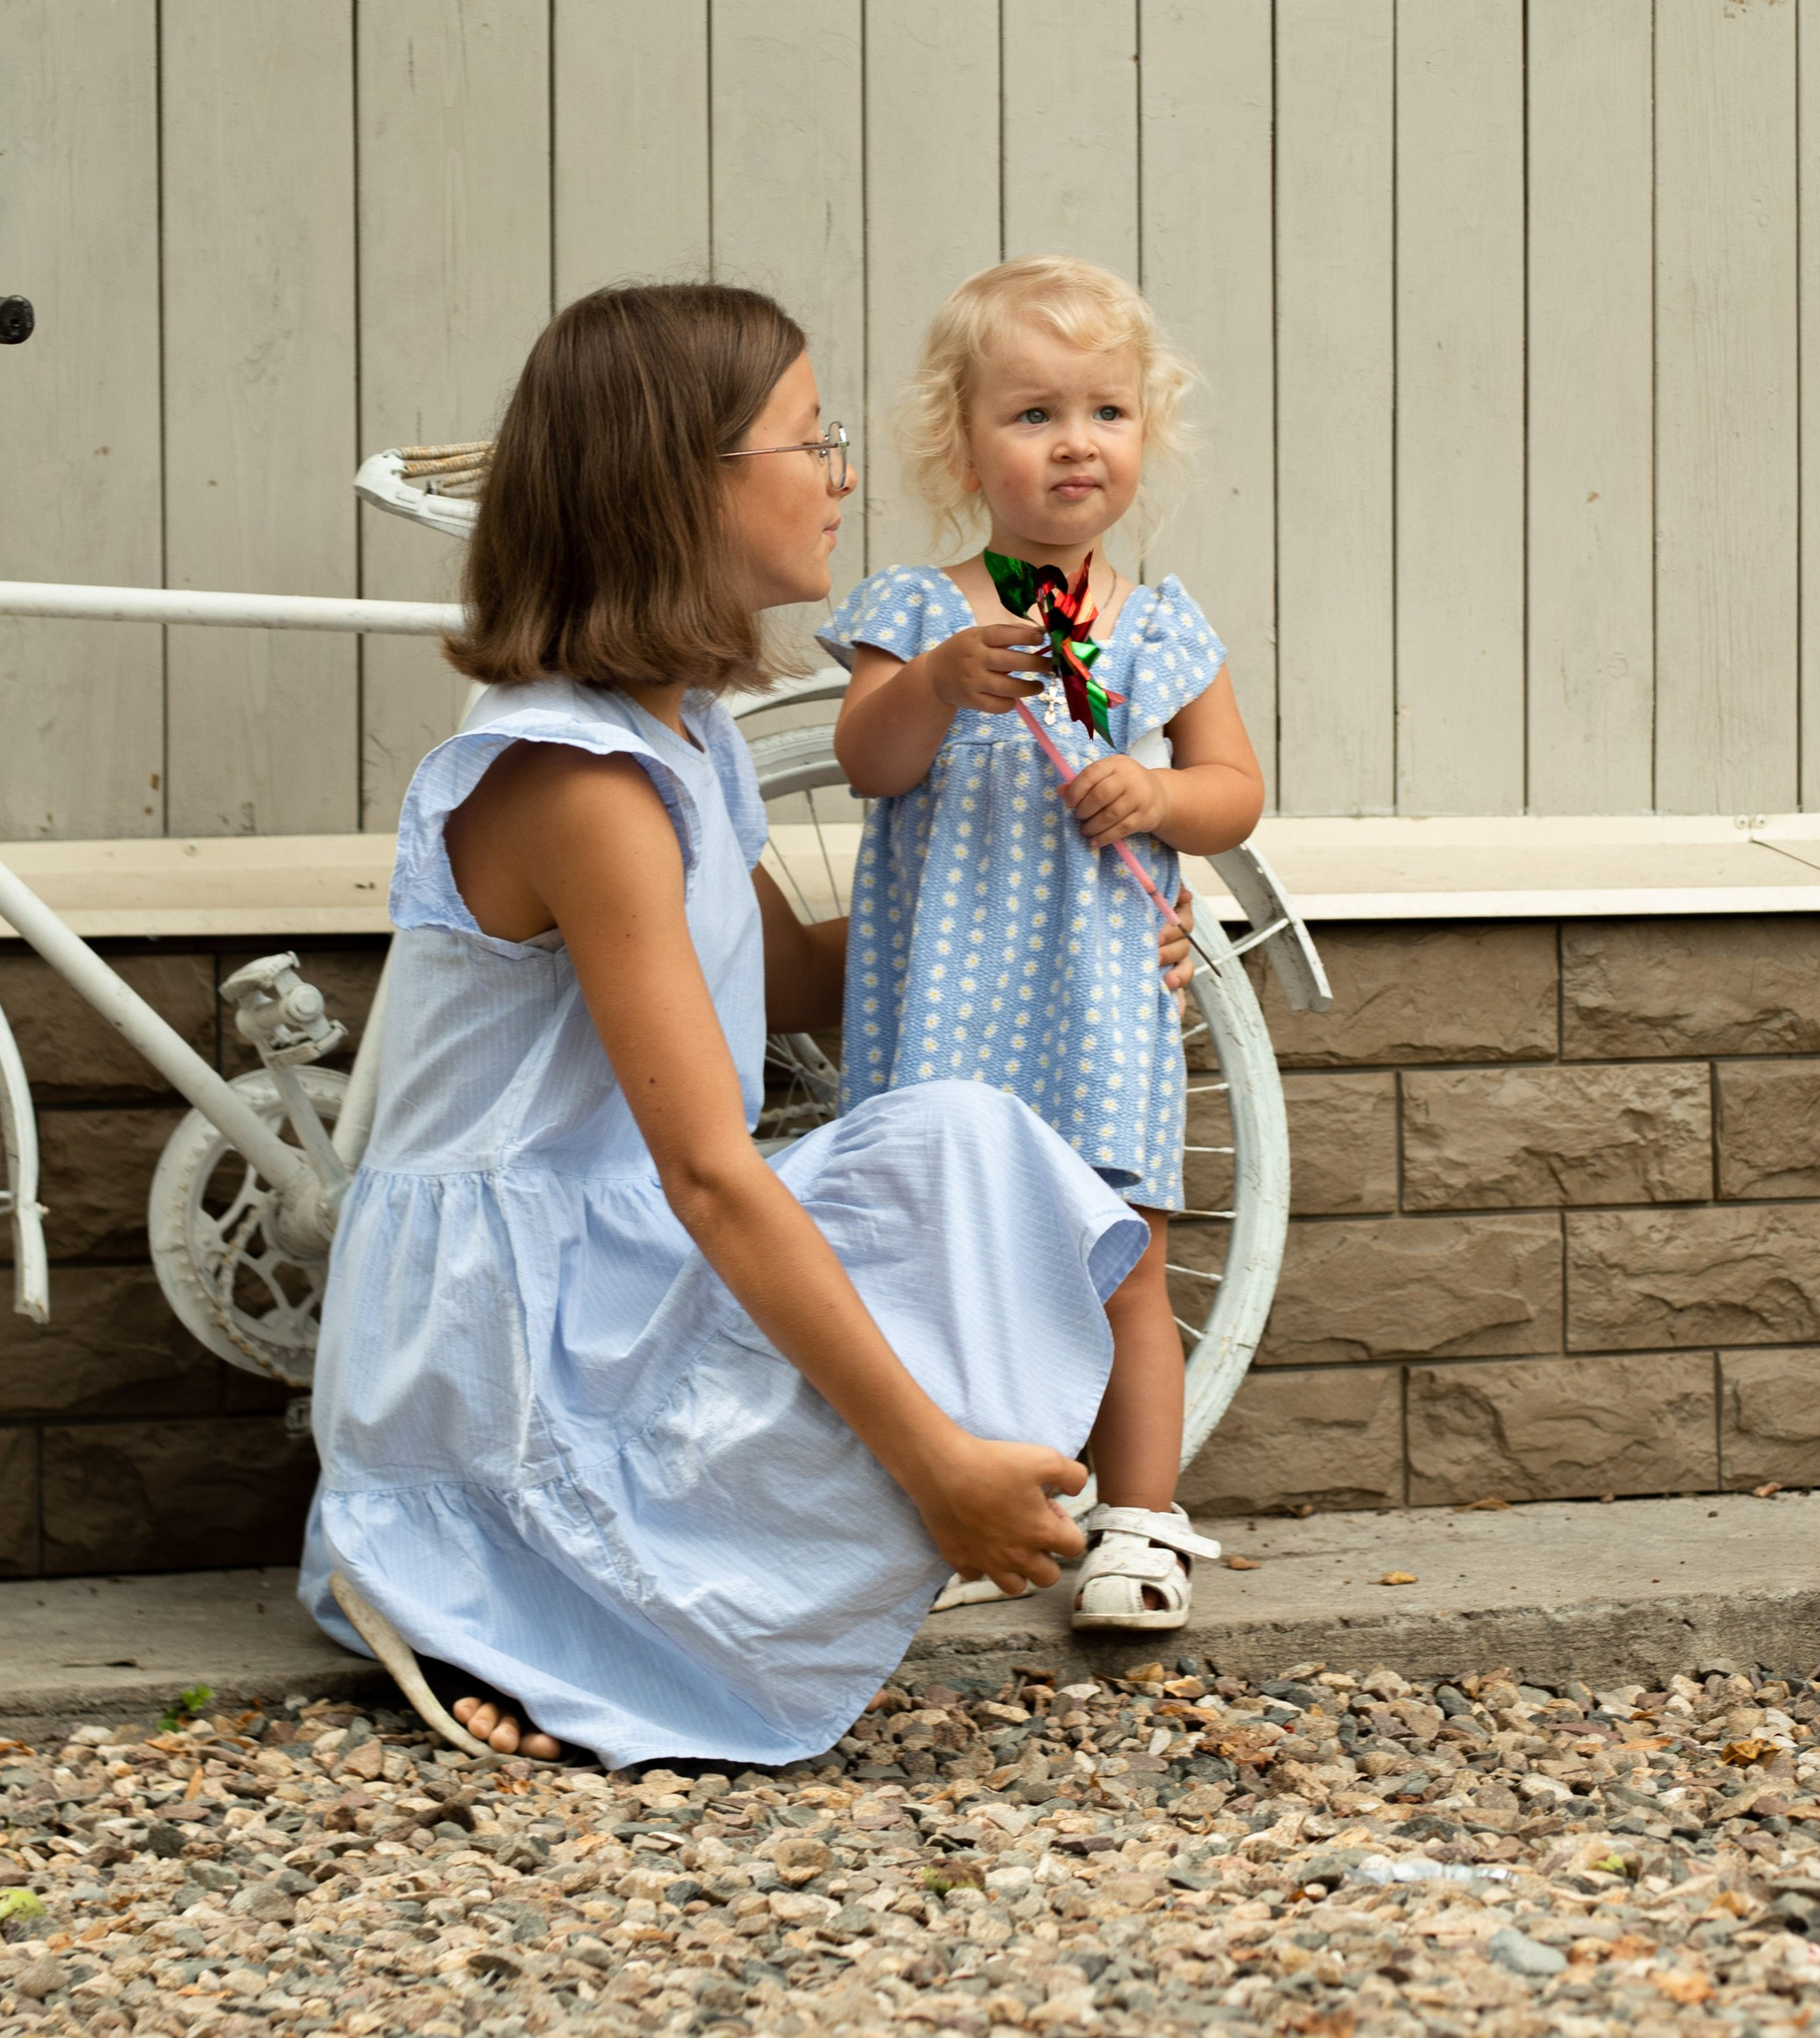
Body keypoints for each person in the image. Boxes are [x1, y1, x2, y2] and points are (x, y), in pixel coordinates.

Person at [302, 281, 1162, 1770]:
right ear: (677, 488)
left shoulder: (684, 735)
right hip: (508, 1325)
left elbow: (801, 984)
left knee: (963, 1143)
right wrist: (935, 1462)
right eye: (805, 441)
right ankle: (470, 1573)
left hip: (610, 1262)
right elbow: (708, 1171)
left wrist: (1081, 927)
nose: (842, 475)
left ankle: (622, 1573)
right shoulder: (583, 782)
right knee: (871, 1221)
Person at [821, 256, 1265, 1635]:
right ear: (959, 444)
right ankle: (958, 1501)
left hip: (1097, 993)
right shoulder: (919, 608)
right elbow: (870, 766)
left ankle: (1141, 1519)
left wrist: (1161, 795)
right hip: (947, 1001)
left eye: (1107, 412)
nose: (1076, 441)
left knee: (1125, 1251)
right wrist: (945, 683)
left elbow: (1236, 790)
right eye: (1032, 414)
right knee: (943, 1256)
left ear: (1148, 433)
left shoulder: (1161, 622)